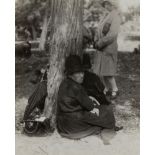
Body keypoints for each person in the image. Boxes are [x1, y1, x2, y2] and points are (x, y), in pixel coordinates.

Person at [57, 55, 122, 139]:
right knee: (107, 110)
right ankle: (95, 130)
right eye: (78, 73)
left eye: (82, 72)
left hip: (63, 124)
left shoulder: (64, 84)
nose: (82, 75)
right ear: (71, 74)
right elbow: (90, 106)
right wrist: (93, 106)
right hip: (75, 124)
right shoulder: (77, 87)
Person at [92, 0, 121, 99]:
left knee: (108, 72)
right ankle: (106, 89)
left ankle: (115, 89)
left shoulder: (116, 17)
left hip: (108, 47)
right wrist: (96, 40)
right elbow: (99, 29)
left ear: (113, 4)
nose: (106, 6)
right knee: (102, 71)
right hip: (102, 48)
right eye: (105, 4)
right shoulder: (106, 16)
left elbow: (112, 35)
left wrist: (100, 43)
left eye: (108, 3)